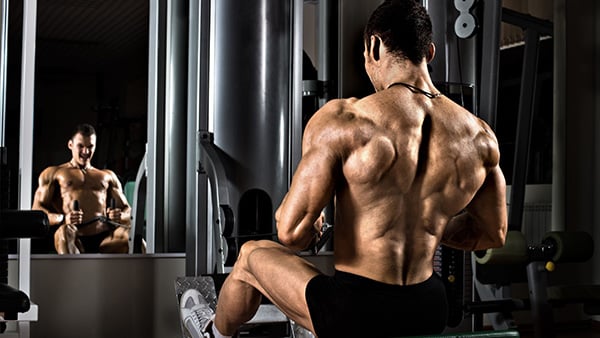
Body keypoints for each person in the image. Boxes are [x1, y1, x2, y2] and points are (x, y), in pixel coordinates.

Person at [182, 1, 508, 337]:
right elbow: (492, 233)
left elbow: (291, 233)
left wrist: (314, 226)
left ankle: (212, 333)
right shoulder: (479, 136)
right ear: (430, 51)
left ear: (374, 45)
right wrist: (429, 224)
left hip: (356, 311)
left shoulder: (346, 120)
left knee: (251, 255)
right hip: (429, 307)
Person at [32, 123, 131, 254]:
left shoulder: (107, 176)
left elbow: (128, 211)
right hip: (73, 237)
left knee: (132, 237)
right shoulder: (54, 173)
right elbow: (37, 211)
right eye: (81, 146)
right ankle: (75, 274)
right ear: (70, 145)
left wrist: (119, 216)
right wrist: (63, 218)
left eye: (90, 147)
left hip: (104, 239)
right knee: (64, 232)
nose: (86, 152)